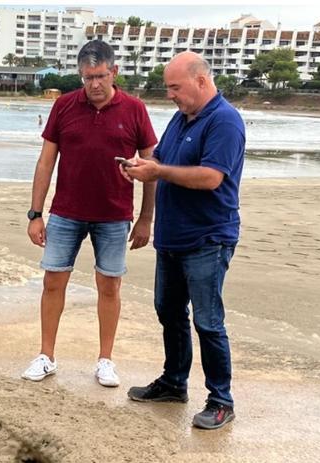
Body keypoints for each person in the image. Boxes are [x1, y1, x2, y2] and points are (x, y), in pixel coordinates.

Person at [21, 40, 157, 387]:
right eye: (86, 77)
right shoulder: (65, 106)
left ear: (114, 72)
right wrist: (36, 213)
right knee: (53, 282)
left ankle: (105, 360)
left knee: (109, 286)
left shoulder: (135, 110)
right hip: (66, 212)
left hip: (114, 214)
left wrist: (145, 218)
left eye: (99, 76)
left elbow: (151, 166)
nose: (93, 84)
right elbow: (45, 161)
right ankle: (46, 355)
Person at [120, 52, 245, 430]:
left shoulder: (225, 120)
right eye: (168, 87)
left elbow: (210, 177)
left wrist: (158, 171)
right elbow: (159, 158)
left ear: (201, 81)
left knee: (208, 322)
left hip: (208, 237)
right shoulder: (180, 118)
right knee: (169, 312)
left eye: (175, 86)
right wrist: (140, 167)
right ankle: (174, 382)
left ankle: (221, 400)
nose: (170, 94)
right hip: (172, 237)